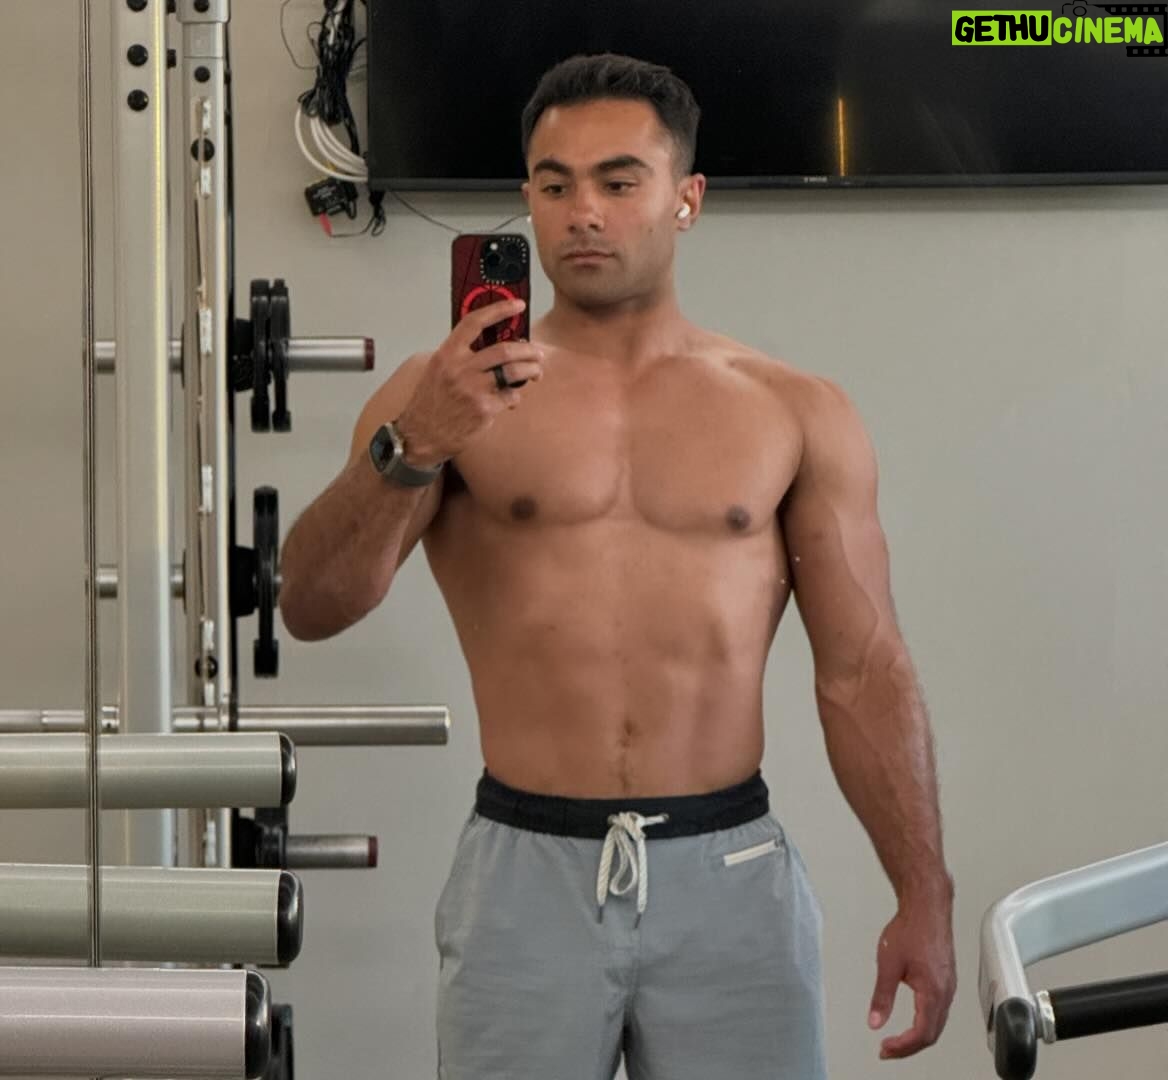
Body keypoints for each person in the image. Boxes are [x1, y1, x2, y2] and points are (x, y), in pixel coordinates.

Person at [277, 51, 956, 1080]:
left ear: (687, 198)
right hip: (523, 872)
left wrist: (923, 893)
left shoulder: (790, 409)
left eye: (618, 181)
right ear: (528, 200)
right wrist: (412, 446)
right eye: (554, 186)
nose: (582, 212)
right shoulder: (441, 395)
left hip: (731, 871)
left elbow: (863, 670)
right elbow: (311, 603)